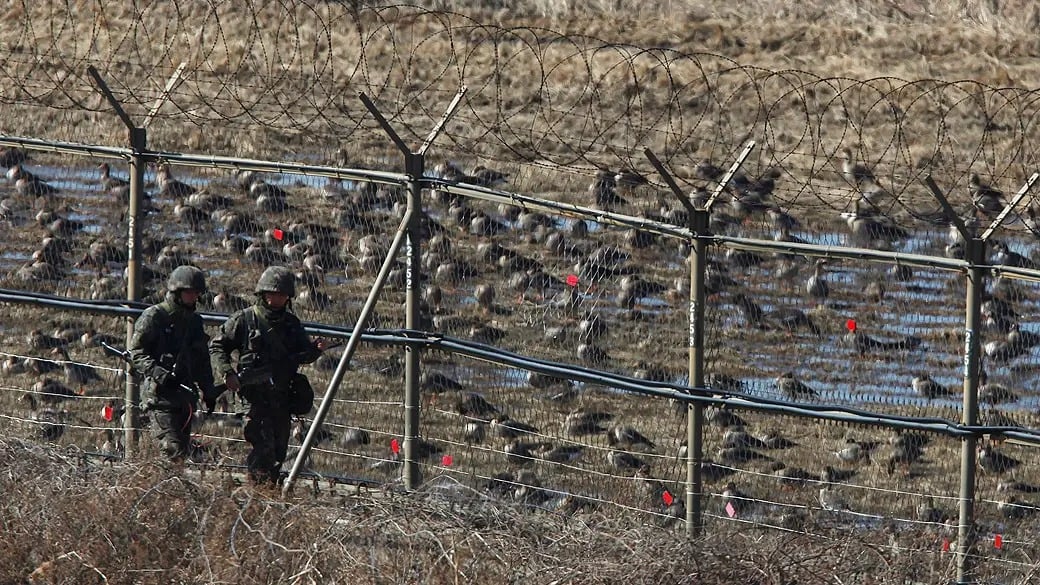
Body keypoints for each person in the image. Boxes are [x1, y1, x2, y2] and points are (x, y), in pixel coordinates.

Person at [209, 266, 329, 486]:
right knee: (263, 450)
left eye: (283, 295)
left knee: (278, 452)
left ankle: (267, 494)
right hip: (254, 398)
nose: (278, 298)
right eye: (274, 294)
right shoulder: (244, 319)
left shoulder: (291, 324)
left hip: (281, 398)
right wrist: (227, 373)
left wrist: (315, 350)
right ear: (263, 294)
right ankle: (257, 494)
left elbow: (302, 355)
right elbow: (218, 346)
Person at [129, 265, 216, 461]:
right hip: (160, 397)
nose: (194, 297)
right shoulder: (155, 316)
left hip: (184, 398)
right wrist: (159, 373)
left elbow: (202, 360)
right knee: (171, 451)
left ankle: (171, 488)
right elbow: (136, 352)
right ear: (177, 292)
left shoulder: (194, 322)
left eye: (196, 293)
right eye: (189, 293)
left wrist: (208, 390)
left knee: (181, 454)